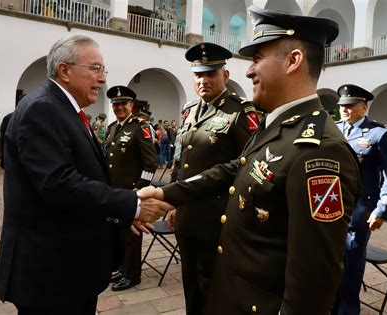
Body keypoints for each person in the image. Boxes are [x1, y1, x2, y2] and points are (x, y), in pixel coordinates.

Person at [140, 6, 362, 314]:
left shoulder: (321, 150)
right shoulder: (280, 125)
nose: (249, 70)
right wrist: (166, 193)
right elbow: (234, 169)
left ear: (293, 61)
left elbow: (314, 279)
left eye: (257, 59)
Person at [0, 35, 170, 314]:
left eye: (104, 71)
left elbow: (89, 177)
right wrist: (132, 205)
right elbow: (59, 184)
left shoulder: (63, 109)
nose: (102, 79)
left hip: (68, 267)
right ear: (64, 71)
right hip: (51, 272)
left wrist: (122, 212)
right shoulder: (43, 109)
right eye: (96, 68)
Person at [166, 42, 260, 314]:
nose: (203, 80)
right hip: (187, 216)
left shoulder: (241, 112)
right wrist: (173, 200)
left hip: (218, 217)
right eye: (198, 74)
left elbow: (248, 164)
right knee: (191, 283)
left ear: (225, 76)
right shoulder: (189, 111)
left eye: (211, 74)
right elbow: (179, 160)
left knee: (215, 287)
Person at [332, 84, 387, 315]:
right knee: (331, 266)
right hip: (330, 207)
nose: (345, 110)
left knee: (350, 270)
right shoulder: (333, 129)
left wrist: (382, 210)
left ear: (364, 106)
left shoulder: (379, 134)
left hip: (359, 213)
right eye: (342, 106)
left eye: (350, 106)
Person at [104, 85, 158, 291]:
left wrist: (139, 190)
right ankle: (121, 268)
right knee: (117, 233)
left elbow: (150, 164)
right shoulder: (112, 128)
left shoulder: (140, 128)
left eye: (123, 104)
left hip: (131, 193)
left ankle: (132, 275)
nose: (119, 108)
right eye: (115, 104)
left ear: (131, 105)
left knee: (131, 235)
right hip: (114, 193)